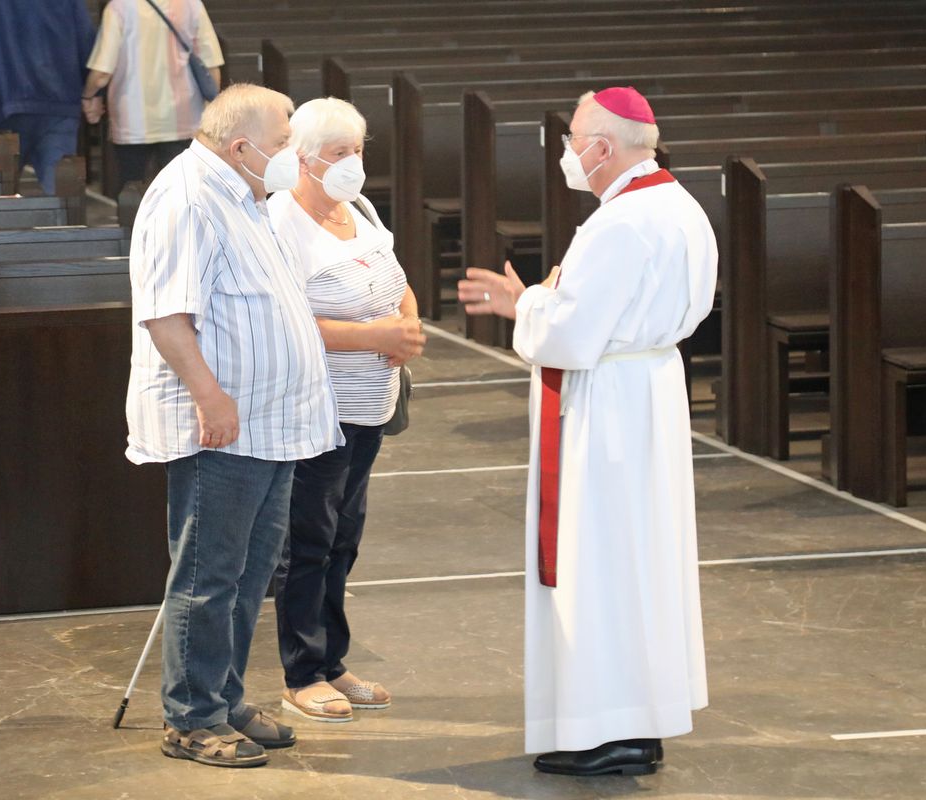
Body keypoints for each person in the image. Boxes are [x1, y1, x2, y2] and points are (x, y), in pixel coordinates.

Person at [458, 86, 716, 777]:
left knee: (598, 563)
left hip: (607, 407)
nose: (568, 152)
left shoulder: (620, 223)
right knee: (641, 562)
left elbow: (572, 334)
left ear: (602, 148)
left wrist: (525, 303)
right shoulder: (680, 205)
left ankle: (611, 729)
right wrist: (543, 301)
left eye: (573, 139)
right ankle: (644, 718)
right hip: (648, 392)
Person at [125, 83, 341, 768]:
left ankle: (223, 697)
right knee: (208, 575)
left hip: (271, 423)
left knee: (249, 575)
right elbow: (166, 313)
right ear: (241, 145)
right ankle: (190, 717)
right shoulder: (186, 196)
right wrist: (209, 394)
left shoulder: (247, 194)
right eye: (283, 145)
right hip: (221, 423)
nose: (292, 158)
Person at [267, 97, 426, 723]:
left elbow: (396, 277)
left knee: (344, 535)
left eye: (358, 150)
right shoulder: (281, 220)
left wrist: (408, 322)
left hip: (370, 404)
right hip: (317, 404)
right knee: (308, 538)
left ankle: (333, 659)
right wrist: (373, 338)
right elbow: (284, 321)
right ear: (302, 159)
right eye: (339, 154)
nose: (353, 164)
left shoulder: (358, 208)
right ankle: (302, 672)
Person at [0, 0, 94, 195]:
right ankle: (66, 225)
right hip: (58, 104)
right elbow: (85, 38)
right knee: (63, 197)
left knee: (0, 200)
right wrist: (91, 93)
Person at [82, 0, 223, 192]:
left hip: (132, 120)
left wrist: (89, 97)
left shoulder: (119, 7)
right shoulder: (191, 4)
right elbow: (211, 65)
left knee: (132, 191)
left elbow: (101, 74)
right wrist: (212, 109)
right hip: (183, 116)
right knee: (184, 191)